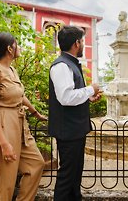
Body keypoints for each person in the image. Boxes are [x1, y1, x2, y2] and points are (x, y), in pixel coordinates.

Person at [0, 32, 46, 201]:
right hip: (3, 125)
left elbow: (19, 95)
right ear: (10, 49)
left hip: (19, 123)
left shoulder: (12, 70)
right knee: (5, 182)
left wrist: (34, 112)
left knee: (36, 164)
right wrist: (4, 144)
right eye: (17, 44)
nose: (20, 47)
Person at [49, 25, 101, 201]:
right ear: (76, 43)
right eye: (83, 41)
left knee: (74, 175)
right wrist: (90, 90)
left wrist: (87, 97)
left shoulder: (69, 63)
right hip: (68, 131)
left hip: (74, 130)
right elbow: (65, 97)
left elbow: (72, 95)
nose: (84, 45)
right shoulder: (62, 66)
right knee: (67, 177)